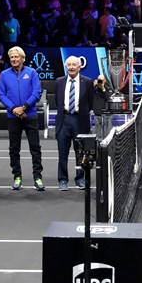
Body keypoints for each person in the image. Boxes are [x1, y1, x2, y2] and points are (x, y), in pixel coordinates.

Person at [0, 46, 46, 191]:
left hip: (29, 116)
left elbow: (36, 92)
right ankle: (17, 177)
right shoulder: (5, 75)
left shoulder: (32, 73)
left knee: (35, 148)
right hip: (13, 117)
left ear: (22, 58)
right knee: (14, 149)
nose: (13, 59)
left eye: (16, 57)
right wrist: (14, 109)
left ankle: (38, 177)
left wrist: (23, 107)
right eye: (11, 57)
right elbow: (1, 94)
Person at [54, 56, 102, 190]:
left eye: (74, 64)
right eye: (68, 65)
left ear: (79, 67)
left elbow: (91, 102)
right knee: (62, 153)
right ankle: (62, 180)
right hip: (63, 120)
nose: (71, 67)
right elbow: (57, 102)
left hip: (80, 121)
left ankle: (80, 178)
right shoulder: (59, 82)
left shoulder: (87, 82)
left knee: (81, 153)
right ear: (65, 66)